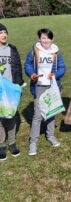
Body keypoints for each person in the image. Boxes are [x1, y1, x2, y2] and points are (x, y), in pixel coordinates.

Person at [24, 28, 66, 156]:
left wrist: (56, 74)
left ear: (52, 39)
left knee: (51, 112)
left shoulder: (56, 52)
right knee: (38, 114)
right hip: (39, 86)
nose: (45, 40)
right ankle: (33, 142)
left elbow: (62, 67)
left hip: (52, 85)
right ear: (39, 39)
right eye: (43, 38)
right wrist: (32, 74)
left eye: (48, 38)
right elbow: (27, 65)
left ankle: (50, 135)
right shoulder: (34, 51)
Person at [0, 23, 24, 161]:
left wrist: (19, 84)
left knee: (11, 116)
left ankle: (12, 143)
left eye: (5, 32)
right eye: (0, 33)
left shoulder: (12, 49)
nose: (3, 35)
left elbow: (17, 67)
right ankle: (1, 145)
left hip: (10, 89)